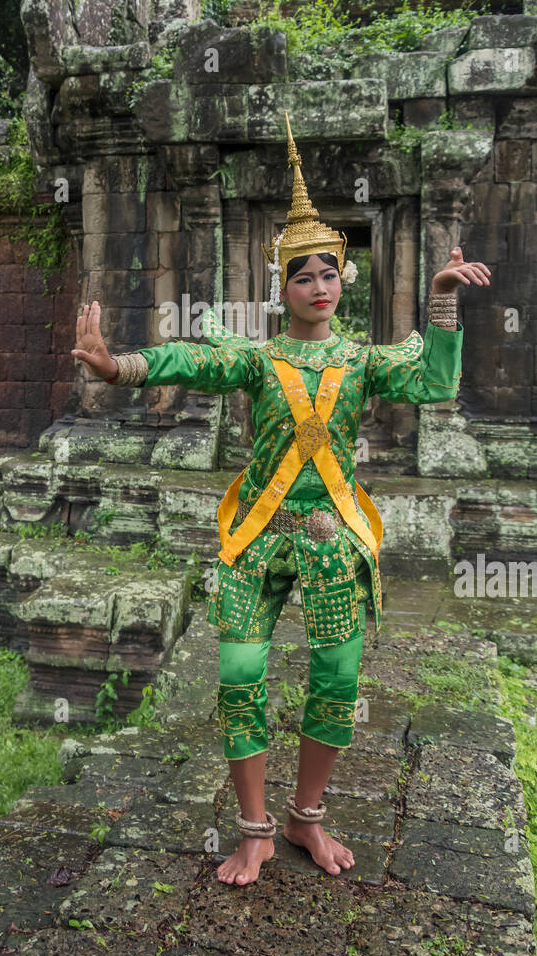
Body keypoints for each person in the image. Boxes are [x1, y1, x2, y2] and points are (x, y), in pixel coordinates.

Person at [72, 113, 491, 886]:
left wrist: (441, 300)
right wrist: (117, 366)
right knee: (238, 673)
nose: (320, 288)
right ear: (283, 287)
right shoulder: (257, 359)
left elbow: (434, 381)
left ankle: (307, 816)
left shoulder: (365, 360)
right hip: (258, 534)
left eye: (329, 273)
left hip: (334, 535)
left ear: (344, 278)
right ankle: (255, 829)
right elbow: (189, 360)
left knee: (336, 678)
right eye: (304, 276)